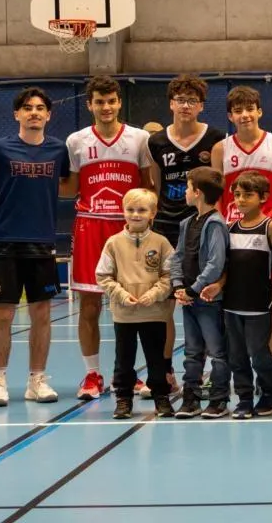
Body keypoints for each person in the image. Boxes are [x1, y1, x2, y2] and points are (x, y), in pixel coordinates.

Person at [65, 76, 153, 401]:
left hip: (128, 230)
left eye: (111, 101)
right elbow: (70, 187)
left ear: (119, 102)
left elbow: (148, 186)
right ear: (90, 104)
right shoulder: (76, 140)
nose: (106, 107)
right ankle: (92, 374)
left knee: (132, 305)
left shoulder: (139, 138)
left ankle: (126, 373)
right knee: (90, 305)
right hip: (90, 227)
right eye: (100, 101)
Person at [0, 87, 70, 407]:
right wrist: (2, 206)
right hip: (6, 241)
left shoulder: (58, 150)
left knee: (42, 313)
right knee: (3, 313)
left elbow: (67, 184)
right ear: (16, 114)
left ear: (48, 114)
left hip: (43, 242)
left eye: (40, 108)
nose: (34, 112)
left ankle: (37, 380)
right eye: (28, 108)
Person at [147, 74, 225, 396]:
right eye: (180, 100)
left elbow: (219, 186)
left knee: (203, 303)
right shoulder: (156, 142)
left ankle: (204, 371)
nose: (186, 105)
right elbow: (155, 185)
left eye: (192, 100)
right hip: (167, 227)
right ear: (171, 103)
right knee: (166, 305)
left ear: (201, 106)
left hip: (202, 227)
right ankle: (165, 372)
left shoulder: (216, 139)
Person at [211, 86, 272, 376]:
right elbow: (217, 195)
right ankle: (234, 369)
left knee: (269, 302)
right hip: (233, 234)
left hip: (266, 234)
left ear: (259, 111)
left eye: (249, 109)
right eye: (238, 110)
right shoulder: (221, 149)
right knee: (230, 299)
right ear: (230, 116)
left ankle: (266, 369)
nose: (244, 115)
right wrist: (220, 228)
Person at [97, 188, 175, 419]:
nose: (135, 214)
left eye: (142, 210)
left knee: (156, 358)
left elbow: (169, 275)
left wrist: (155, 294)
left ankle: (161, 397)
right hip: (125, 314)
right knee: (123, 360)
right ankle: (123, 399)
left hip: (154, 312)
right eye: (130, 209)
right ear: (123, 212)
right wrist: (120, 294)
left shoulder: (161, 243)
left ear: (153, 213)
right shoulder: (113, 243)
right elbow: (103, 275)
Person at [169, 167, 231, 419]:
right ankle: (191, 399)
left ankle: (219, 399)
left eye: (187, 187)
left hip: (208, 300)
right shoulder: (187, 223)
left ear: (197, 192)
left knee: (217, 352)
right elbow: (177, 257)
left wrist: (193, 290)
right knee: (192, 352)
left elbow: (215, 264)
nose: (184, 192)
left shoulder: (216, 224)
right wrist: (178, 286)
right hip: (189, 299)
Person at [223, 172, 272, 419]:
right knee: (236, 356)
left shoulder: (270, 227)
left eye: (248, 195)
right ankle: (244, 398)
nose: (241, 200)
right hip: (232, 304)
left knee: (259, 354)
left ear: (263, 197)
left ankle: (269, 392)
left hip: (258, 304)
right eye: (237, 195)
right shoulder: (229, 229)